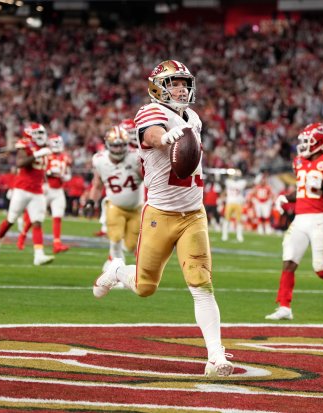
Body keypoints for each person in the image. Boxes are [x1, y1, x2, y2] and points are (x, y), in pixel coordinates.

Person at [92, 60, 233, 377]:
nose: (181, 89)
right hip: (160, 214)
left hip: (194, 214)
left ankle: (216, 357)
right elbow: (151, 134)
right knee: (145, 287)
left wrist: (178, 138)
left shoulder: (193, 118)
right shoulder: (150, 112)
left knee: (201, 283)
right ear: (158, 87)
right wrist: (166, 139)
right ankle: (116, 269)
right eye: (173, 83)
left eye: (184, 83)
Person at [266, 122, 323, 321]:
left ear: (320, 143)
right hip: (300, 219)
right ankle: (284, 306)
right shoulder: (300, 161)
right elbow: (302, 191)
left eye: (308, 141)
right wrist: (285, 199)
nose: (304, 145)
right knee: (289, 261)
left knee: (321, 269)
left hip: (320, 220)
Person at [0, 123, 54, 266]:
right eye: (40, 134)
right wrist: (36, 154)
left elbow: (41, 170)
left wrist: (46, 182)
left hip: (37, 191)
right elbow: (20, 163)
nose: (43, 136)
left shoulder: (45, 150)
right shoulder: (27, 147)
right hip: (22, 189)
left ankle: (38, 255)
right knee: (11, 220)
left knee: (37, 222)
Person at [84, 120, 143, 267]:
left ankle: (113, 261)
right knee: (115, 237)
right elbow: (97, 185)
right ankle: (115, 269)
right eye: (115, 145)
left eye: (122, 145)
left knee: (130, 246)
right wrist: (91, 201)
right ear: (108, 144)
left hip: (136, 208)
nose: (118, 149)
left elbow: (149, 179)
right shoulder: (100, 160)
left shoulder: (135, 157)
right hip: (114, 206)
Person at [17, 134, 72, 254]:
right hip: (45, 189)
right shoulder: (45, 154)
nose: (57, 146)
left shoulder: (65, 157)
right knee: (35, 216)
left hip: (58, 190)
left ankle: (57, 244)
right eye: (55, 143)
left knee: (57, 216)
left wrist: (64, 176)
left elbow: (68, 174)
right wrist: (50, 172)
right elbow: (39, 170)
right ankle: (22, 236)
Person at [221, 172, 247, 242]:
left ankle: (239, 235)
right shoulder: (231, 181)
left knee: (238, 220)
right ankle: (225, 235)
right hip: (230, 202)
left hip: (237, 203)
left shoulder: (239, 182)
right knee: (227, 219)